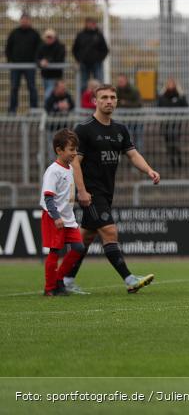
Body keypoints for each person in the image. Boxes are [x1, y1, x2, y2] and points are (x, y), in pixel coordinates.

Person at [55, 84, 158, 294]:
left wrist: (148, 170)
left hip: (107, 191)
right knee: (110, 231)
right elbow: (75, 163)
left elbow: (132, 154)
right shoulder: (84, 129)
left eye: (112, 97)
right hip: (92, 192)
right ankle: (129, 279)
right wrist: (82, 191)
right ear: (95, 101)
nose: (109, 101)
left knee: (84, 239)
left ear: (117, 101)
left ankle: (64, 280)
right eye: (104, 97)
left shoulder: (120, 129)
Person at [40, 129, 85, 296]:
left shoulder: (70, 168)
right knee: (54, 251)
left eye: (75, 149)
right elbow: (48, 197)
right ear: (59, 150)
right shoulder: (53, 171)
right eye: (71, 149)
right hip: (54, 217)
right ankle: (50, 288)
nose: (74, 153)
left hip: (68, 217)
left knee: (79, 247)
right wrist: (56, 216)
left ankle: (59, 279)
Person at [6, 13, 41, 112]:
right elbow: (8, 47)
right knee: (14, 88)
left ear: (29, 21)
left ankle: (34, 110)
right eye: (23, 20)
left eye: (26, 20)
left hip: (30, 66)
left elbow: (39, 49)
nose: (24, 22)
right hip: (16, 66)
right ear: (20, 21)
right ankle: (12, 111)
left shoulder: (35, 34)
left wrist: (35, 60)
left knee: (32, 87)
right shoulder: (14, 33)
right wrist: (10, 60)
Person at [157, 77, 189, 170]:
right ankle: (172, 161)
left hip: (176, 124)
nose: (170, 85)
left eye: (172, 84)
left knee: (176, 142)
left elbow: (185, 106)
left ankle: (178, 159)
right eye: (169, 84)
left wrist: (181, 93)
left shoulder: (179, 96)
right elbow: (158, 106)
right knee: (168, 143)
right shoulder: (163, 96)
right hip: (166, 124)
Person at [72, 17, 109, 89]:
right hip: (83, 63)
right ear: (86, 24)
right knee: (83, 84)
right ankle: (83, 99)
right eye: (90, 23)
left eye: (94, 23)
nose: (92, 25)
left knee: (99, 84)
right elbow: (74, 49)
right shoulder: (80, 35)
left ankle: (99, 99)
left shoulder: (99, 35)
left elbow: (105, 50)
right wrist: (79, 59)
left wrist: (99, 59)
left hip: (96, 64)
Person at [115, 74, 143, 151]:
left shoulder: (134, 90)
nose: (119, 83)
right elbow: (116, 103)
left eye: (121, 81)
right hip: (125, 119)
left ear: (126, 81)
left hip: (137, 119)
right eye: (118, 81)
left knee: (138, 139)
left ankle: (140, 156)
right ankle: (130, 157)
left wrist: (125, 103)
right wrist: (123, 103)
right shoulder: (117, 91)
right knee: (129, 139)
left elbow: (139, 103)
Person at [37, 28, 66, 102]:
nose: (49, 39)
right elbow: (37, 58)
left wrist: (47, 61)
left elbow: (59, 58)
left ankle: (47, 110)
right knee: (52, 95)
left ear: (54, 37)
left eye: (50, 37)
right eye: (47, 37)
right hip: (45, 76)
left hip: (55, 76)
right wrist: (40, 62)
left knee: (48, 94)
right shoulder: (41, 47)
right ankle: (52, 110)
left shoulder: (60, 46)